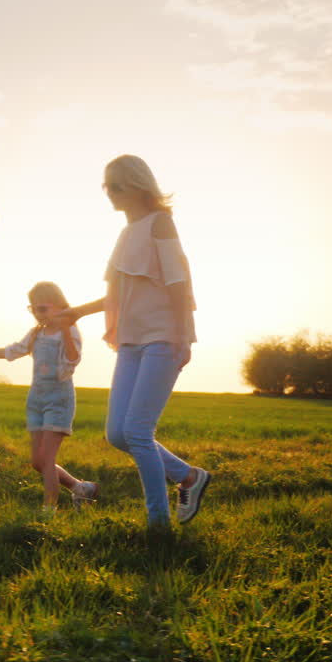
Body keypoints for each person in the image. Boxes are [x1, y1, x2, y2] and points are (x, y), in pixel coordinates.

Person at [55, 155, 210, 528]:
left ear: (136, 185)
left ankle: (158, 524)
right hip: (131, 342)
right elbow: (117, 296)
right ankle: (188, 477)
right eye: (106, 185)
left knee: (138, 432)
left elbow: (177, 282)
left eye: (115, 185)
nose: (108, 192)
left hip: (162, 339)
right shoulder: (126, 233)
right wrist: (75, 312)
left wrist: (181, 337)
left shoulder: (160, 223)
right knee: (117, 434)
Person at [0, 282, 99, 516]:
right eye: (33, 309)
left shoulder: (70, 331)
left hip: (58, 400)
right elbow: (12, 351)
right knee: (37, 462)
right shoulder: (36, 333)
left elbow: (71, 362)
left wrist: (67, 329)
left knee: (47, 460)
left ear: (59, 305)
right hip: (36, 400)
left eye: (42, 308)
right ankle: (81, 488)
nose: (37, 315)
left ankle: (48, 512)